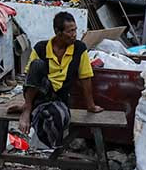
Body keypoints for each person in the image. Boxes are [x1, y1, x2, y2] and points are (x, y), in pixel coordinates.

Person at [16, 12, 103, 148]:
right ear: (58, 32)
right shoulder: (41, 48)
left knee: (55, 117)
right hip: (38, 92)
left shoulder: (79, 49)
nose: (74, 34)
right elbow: (30, 77)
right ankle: (27, 108)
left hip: (59, 98)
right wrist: (28, 102)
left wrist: (90, 106)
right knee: (37, 65)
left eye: (75, 30)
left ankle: (50, 147)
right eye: (70, 31)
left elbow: (85, 77)